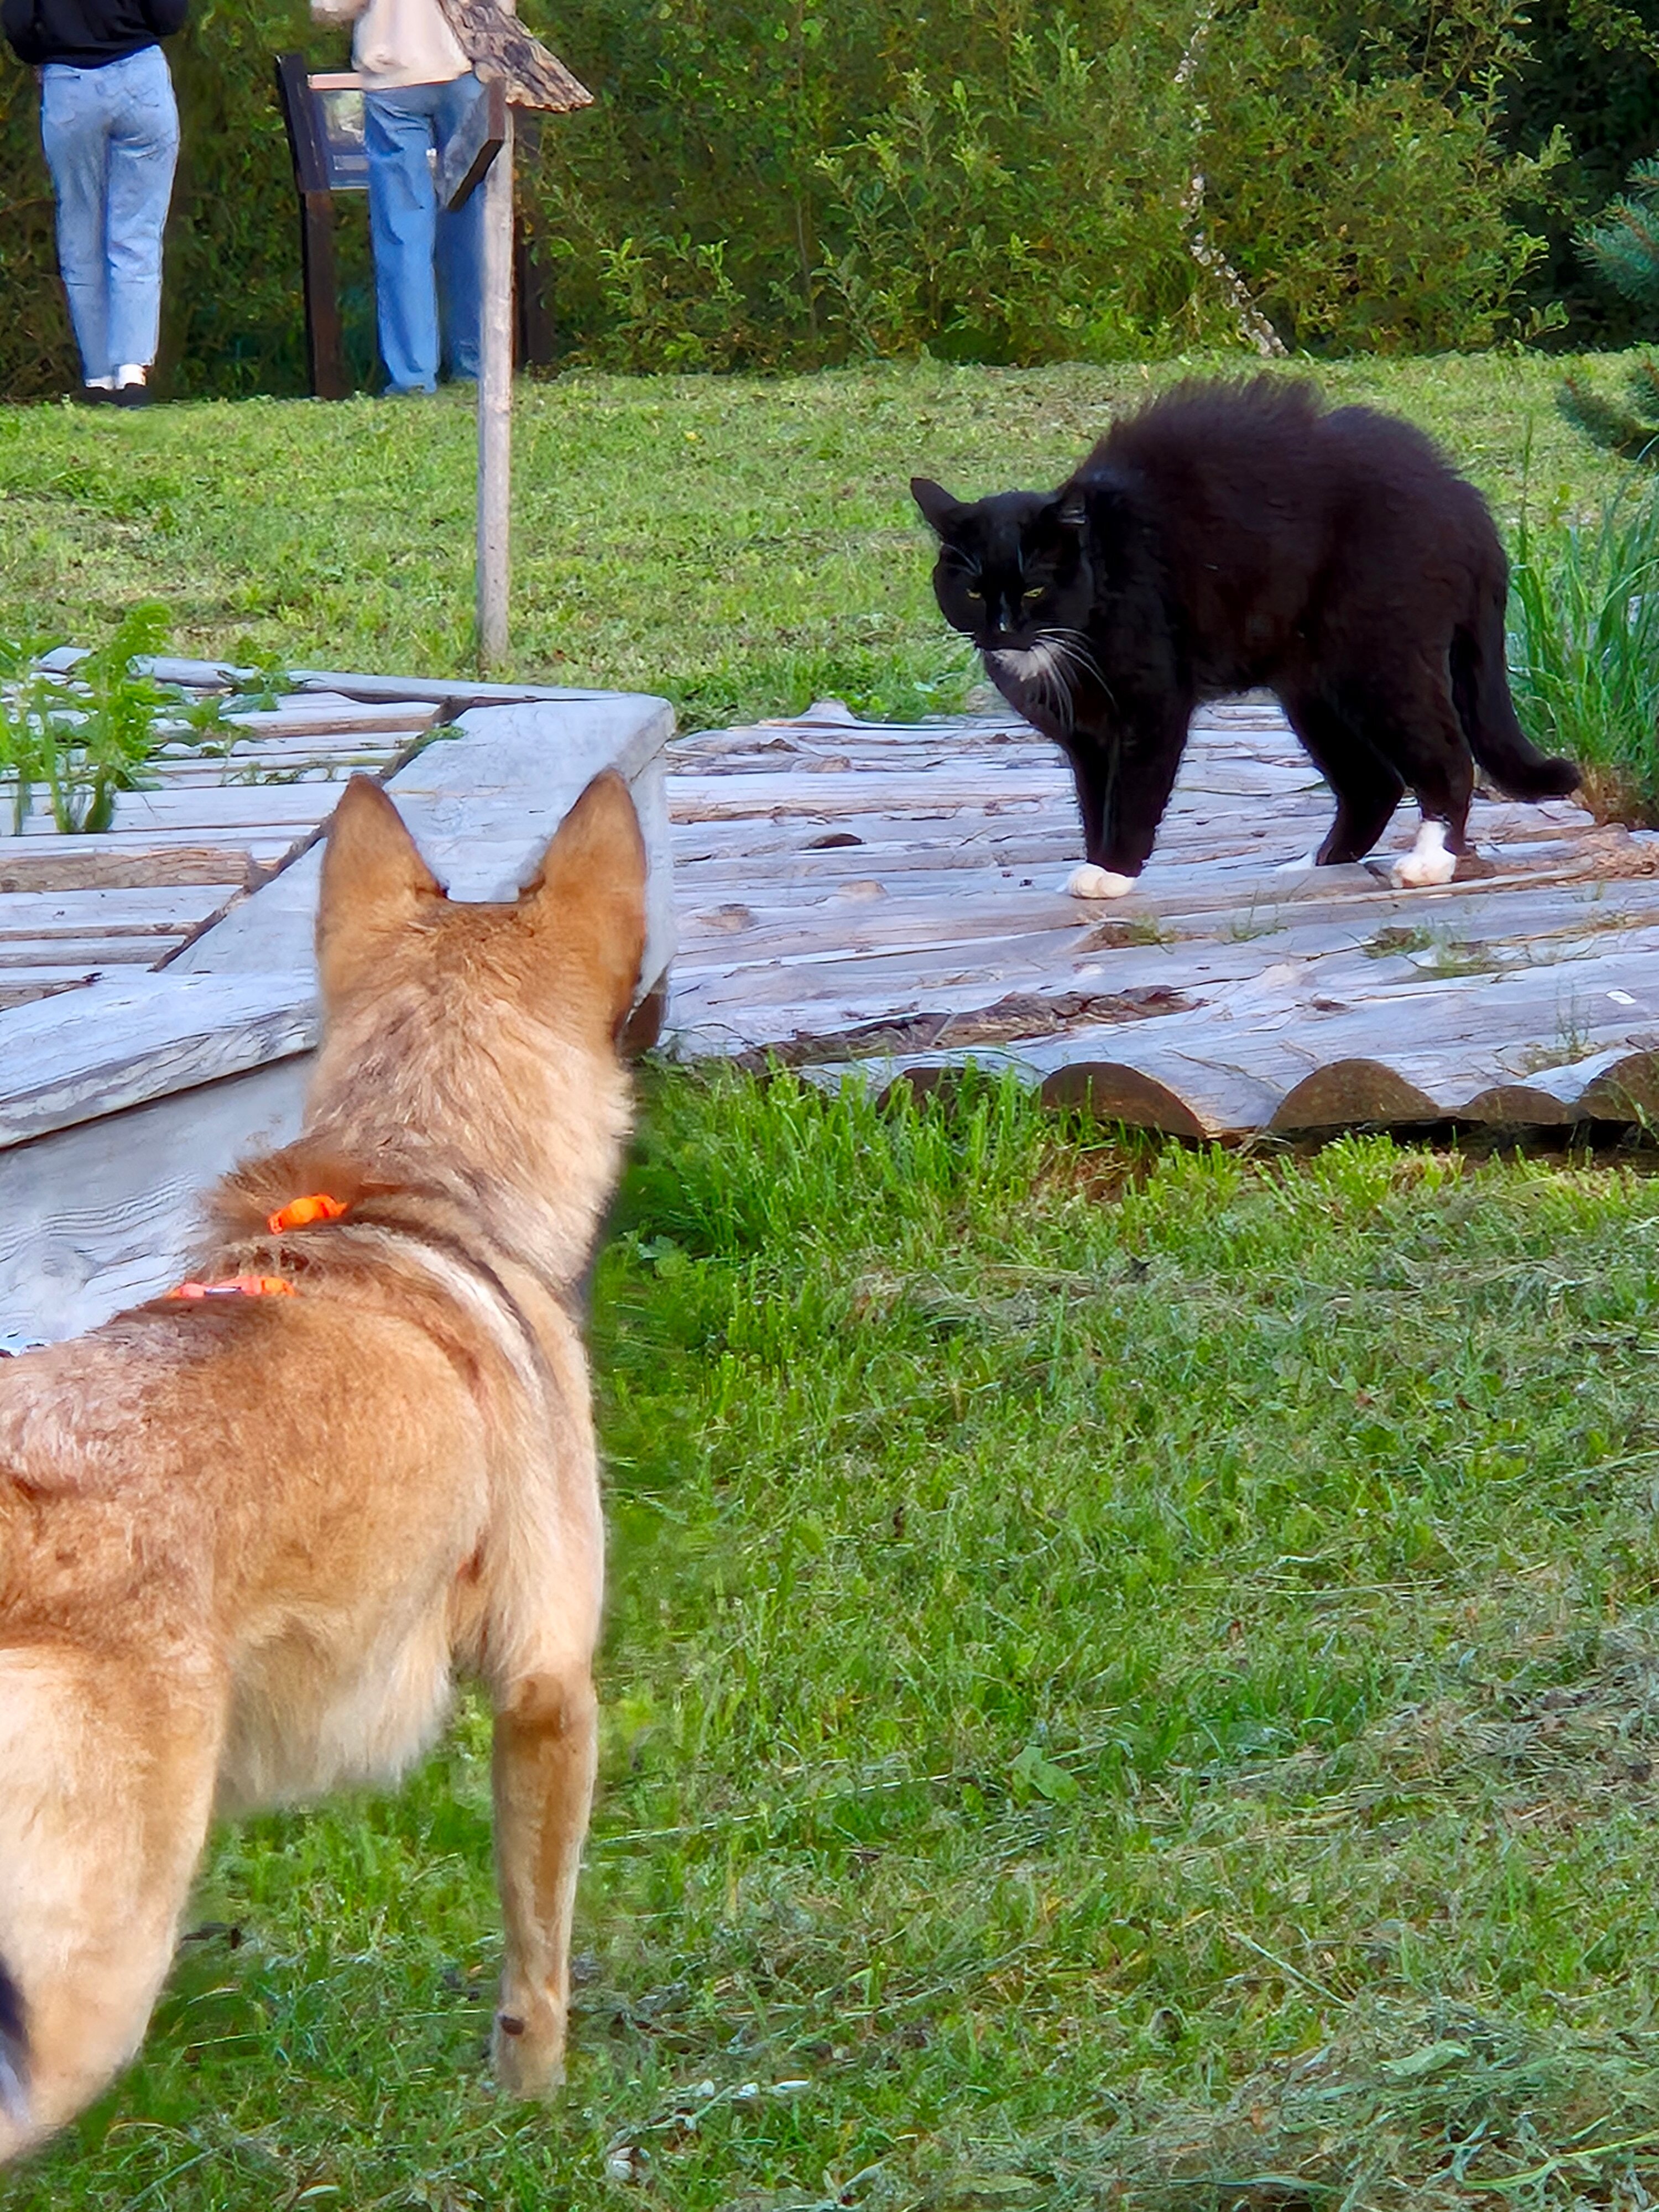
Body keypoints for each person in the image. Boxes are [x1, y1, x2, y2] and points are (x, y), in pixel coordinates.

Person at [1, 0, 187, 405]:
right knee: (136, 229)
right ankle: (132, 371)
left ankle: (98, 376)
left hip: (69, 81)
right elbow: (170, 15)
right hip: (140, 75)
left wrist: (45, 51)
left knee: (80, 224)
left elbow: (15, 22)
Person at [310, 0, 483, 395]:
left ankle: (413, 376)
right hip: (471, 62)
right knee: (476, 222)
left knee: (402, 229)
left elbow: (330, 6)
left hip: (393, 71)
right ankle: (477, 363)